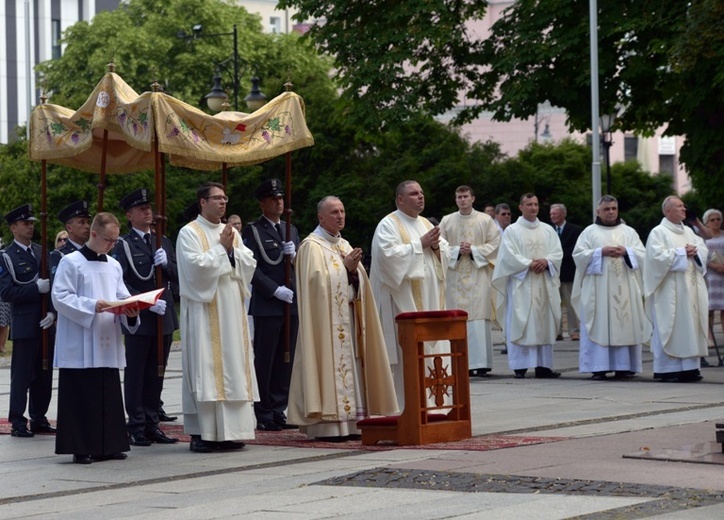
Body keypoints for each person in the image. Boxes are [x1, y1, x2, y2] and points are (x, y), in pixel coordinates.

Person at [288, 196, 398, 440]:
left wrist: (354, 275)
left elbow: (360, 283)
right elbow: (315, 287)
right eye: (334, 212)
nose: (340, 216)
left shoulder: (345, 244)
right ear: (321, 217)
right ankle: (329, 426)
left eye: (342, 211)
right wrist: (345, 270)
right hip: (325, 328)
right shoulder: (311, 247)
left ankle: (353, 422)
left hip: (349, 321)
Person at [52, 212, 141, 464]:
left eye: (115, 241)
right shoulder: (71, 262)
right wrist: (93, 305)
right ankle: (81, 446)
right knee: (81, 393)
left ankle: (109, 444)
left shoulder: (113, 265)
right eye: (108, 240)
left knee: (107, 391)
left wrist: (131, 311)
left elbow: (122, 296)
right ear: (93, 234)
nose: (112, 245)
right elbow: (60, 297)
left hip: (106, 337)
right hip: (79, 339)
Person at [176, 181, 258, 453]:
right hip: (205, 310)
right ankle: (205, 433)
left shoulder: (230, 232)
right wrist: (221, 249)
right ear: (202, 202)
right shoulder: (189, 232)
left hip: (231, 310)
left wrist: (231, 249)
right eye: (217, 198)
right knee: (207, 368)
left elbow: (248, 262)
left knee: (234, 366)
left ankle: (233, 431)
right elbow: (193, 270)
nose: (223, 203)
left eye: (225, 198)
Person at [370, 180, 450, 408]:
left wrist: (435, 247)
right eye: (414, 194)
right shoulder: (388, 224)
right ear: (400, 199)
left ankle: (436, 407)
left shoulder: (425, 223)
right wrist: (420, 244)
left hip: (430, 303)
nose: (421, 197)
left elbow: (445, 251)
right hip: (401, 306)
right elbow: (387, 258)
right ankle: (406, 408)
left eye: (422, 193)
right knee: (405, 358)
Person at [113, 188, 179, 447]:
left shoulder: (163, 241)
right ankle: (137, 424)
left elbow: (177, 277)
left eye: (149, 207)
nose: (148, 211)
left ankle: (153, 423)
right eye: (141, 209)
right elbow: (121, 284)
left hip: (165, 317)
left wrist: (167, 265)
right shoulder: (123, 245)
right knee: (137, 373)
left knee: (158, 372)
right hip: (140, 318)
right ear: (129, 215)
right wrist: (145, 304)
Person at [241, 179, 300, 431]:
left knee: (285, 358)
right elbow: (250, 267)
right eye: (273, 199)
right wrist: (274, 290)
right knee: (265, 359)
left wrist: (295, 255)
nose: (279, 203)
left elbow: (302, 264)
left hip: (291, 302)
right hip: (268, 303)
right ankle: (263, 411)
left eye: (281, 199)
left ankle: (278, 409)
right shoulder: (253, 231)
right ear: (262, 203)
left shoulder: (291, 230)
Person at [571, 195, 647, 380]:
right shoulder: (589, 232)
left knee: (624, 322)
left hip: (626, 287)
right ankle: (599, 366)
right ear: (598, 211)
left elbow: (643, 255)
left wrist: (626, 252)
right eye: (606, 209)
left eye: (614, 208)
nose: (611, 212)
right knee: (600, 321)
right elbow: (579, 256)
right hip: (599, 289)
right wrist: (600, 252)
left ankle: (624, 366)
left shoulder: (629, 232)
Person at [492, 193, 563, 379]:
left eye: (536, 204)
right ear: (521, 207)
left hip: (543, 283)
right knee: (522, 321)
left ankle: (543, 366)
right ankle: (520, 366)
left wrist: (547, 262)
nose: (533, 208)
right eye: (529, 204)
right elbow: (508, 256)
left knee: (543, 321)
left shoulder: (548, 230)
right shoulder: (512, 231)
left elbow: (558, 253)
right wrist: (528, 264)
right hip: (521, 284)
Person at [0, 204, 56, 437]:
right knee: (22, 376)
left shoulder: (41, 251)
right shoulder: (7, 257)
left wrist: (53, 312)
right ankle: (18, 420)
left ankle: (39, 417)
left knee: (44, 374)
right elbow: (6, 293)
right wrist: (35, 289)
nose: (30, 226)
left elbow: (54, 288)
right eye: (25, 223)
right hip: (24, 324)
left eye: (32, 223)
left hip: (45, 322)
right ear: (13, 228)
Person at [644, 196, 708, 382]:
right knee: (671, 325)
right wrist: (681, 253)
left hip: (691, 288)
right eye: (679, 206)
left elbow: (702, 248)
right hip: (669, 291)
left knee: (691, 325)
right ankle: (668, 369)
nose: (683, 209)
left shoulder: (688, 231)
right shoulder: (658, 232)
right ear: (667, 211)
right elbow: (655, 258)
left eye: (683, 206)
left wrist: (696, 252)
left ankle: (690, 368)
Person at [439, 185, 500, 377]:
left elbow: (496, 244)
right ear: (455, 199)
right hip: (454, 277)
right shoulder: (447, 221)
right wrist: (457, 251)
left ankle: (480, 363)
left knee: (478, 317)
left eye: (466, 196)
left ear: (473, 198)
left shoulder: (485, 220)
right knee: (457, 317)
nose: (462, 200)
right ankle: (458, 361)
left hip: (478, 276)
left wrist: (474, 250)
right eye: (459, 197)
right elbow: (439, 247)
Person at [550, 203, 582, 341]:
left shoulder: (574, 230)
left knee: (570, 303)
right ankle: (556, 331)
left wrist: (559, 255)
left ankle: (574, 330)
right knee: (554, 303)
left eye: (555, 214)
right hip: (553, 272)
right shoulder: (548, 230)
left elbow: (576, 250)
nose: (553, 216)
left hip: (569, 272)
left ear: (563, 214)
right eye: (551, 214)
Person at [49, 200, 92, 280]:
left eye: (88, 222)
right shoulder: (59, 255)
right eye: (82, 222)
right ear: (69, 228)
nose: (87, 226)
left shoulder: (93, 252)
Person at [703, 208, 724, 366]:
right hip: (710, 275)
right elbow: (701, 256)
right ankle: (708, 337)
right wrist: (713, 266)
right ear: (706, 222)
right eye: (712, 220)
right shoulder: (703, 238)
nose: (716, 222)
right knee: (709, 309)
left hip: (723, 274)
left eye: (718, 219)